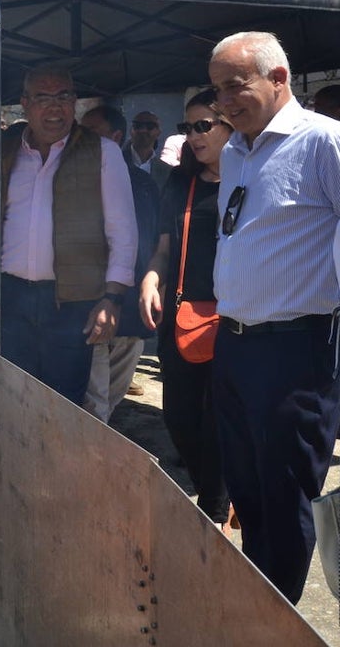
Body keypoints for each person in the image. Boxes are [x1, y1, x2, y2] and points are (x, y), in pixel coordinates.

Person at [208, 31, 340, 603]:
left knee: (286, 499)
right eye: (217, 92)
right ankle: (256, 608)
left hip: (296, 349)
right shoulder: (236, 149)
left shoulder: (323, 142)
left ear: (279, 78)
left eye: (235, 87)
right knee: (249, 492)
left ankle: (271, 624)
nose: (225, 102)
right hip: (234, 345)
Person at [0, 67, 138, 403]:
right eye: (44, 97)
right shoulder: (5, 150)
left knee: (62, 402)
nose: (55, 108)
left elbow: (123, 231)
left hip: (72, 304)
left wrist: (112, 299)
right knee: (12, 395)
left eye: (64, 97)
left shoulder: (102, 152)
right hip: (10, 299)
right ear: (25, 103)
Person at [138, 89, 232, 530]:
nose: (193, 136)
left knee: (218, 423)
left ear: (230, 124)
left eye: (203, 125)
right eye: (187, 127)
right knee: (179, 420)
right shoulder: (181, 181)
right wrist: (151, 278)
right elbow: (163, 248)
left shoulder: (249, 177)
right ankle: (217, 493)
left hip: (238, 322)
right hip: (183, 316)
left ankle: (212, 510)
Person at [79, 105, 159, 421]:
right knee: (93, 398)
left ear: (114, 137)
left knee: (113, 393)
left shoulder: (142, 183)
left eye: (90, 132)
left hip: (131, 305)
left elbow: (153, 240)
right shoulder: (70, 179)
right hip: (89, 302)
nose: (80, 139)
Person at [124, 111, 172, 189]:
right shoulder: (115, 162)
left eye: (150, 126)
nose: (143, 130)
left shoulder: (167, 171)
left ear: (158, 132)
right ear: (131, 130)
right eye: (138, 126)